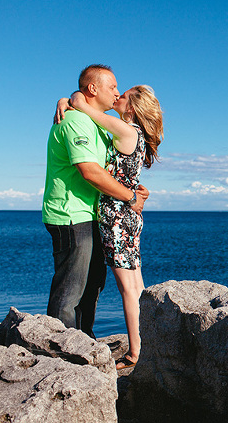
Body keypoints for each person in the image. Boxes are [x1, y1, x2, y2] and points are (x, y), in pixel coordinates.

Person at [56, 83, 163, 370]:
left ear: (132, 107)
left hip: (116, 215)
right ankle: (146, 345)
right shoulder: (136, 135)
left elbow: (84, 107)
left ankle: (136, 354)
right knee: (137, 284)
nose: (117, 96)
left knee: (128, 287)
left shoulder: (124, 129)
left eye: (123, 95)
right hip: (128, 214)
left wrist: (70, 98)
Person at [43, 64, 149, 343]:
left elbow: (114, 168)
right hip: (70, 214)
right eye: (112, 87)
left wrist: (69, 99)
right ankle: (58, 351)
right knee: (70, 291)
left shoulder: (96, 123)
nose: (116, 93)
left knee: (91, 287)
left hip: (94, 213)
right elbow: (90, 170)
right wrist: (130, 197)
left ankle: (83, 344)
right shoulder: (76, 121)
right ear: (93, 89)